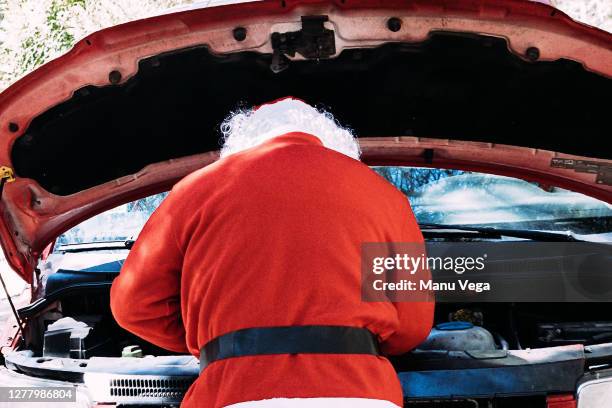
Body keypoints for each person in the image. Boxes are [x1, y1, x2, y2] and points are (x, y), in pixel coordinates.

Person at [110, 97, 434, 408]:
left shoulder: (194, 190)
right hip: (361, 394)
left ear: (240, 142)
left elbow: (132, 306)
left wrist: (215, 338)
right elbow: (412, 327)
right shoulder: (385, 197)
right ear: (335, 143)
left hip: (232, 392)